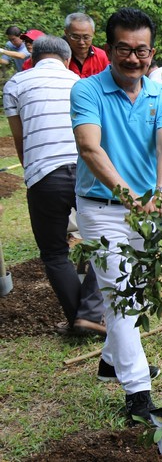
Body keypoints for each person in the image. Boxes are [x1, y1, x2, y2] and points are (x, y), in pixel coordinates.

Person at [71, 8, 162, 422]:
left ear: (152, 52)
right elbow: (90, 148)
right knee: (121, 297)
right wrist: (131, 196)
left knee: (138, 291)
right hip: (101, 209)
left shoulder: (160, 93)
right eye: (124, 49)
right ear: (109, 49)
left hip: (147, 209)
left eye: (142, 50)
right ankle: (138, 397)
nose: (133, 58)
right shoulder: (87, 91)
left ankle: (110, 362)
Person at [3, 35, 105, 336]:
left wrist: (32, 170)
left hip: (45, 175)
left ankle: (80, 320)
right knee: (106, 242)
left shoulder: (16, 84)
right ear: (65, 58)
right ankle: (89, 315)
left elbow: (20, 141)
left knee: (54, 254)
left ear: (33, 57)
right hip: (89, 169)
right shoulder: (81, 83)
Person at [64, 13, 110, 78]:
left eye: (86, 37)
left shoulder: (102, 57)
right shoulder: (61, 58)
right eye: (75, 37)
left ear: (93, 34)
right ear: (66, 33)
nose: (81, 42)